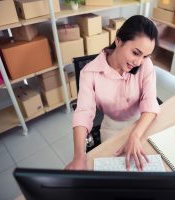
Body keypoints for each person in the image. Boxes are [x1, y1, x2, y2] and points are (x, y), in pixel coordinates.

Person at [65, 15, 160, 171]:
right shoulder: (89, 73)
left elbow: (150, 104)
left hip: (142, 123)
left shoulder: (145, 65)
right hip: (112, 128)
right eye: (136, 53)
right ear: (118, 41)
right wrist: (79, 156)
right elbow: (83, 113)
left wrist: (135, 135)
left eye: (145, 56)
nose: (139, 62)